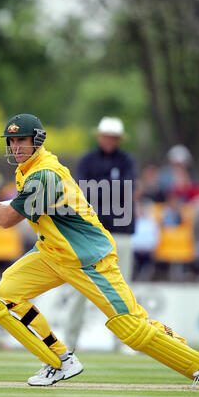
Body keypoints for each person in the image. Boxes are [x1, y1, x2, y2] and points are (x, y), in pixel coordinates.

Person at [0, 113, 199, 389]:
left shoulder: (45, 174)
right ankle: (60, 359)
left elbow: (6, 219)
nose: (16, 147)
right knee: (5, 298)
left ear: (36, 141)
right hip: (53, 254)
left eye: (21, 141)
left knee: (130, 326)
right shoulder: (28, 170)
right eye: (12, 141)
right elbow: (16, 206)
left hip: (89, 259)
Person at [64, 117, 136, 351]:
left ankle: (123, 341)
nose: (109, 140)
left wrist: (99, 189)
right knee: (80, 287)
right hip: (90, 232)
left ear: (118, 139)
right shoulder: (87, 160)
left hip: (120, 231)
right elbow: (82, 190)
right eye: (106, 136)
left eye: (113, 137)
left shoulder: (127, 161)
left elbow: (124, 189)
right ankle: (69, 343)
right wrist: (106, 188)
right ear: (99, 136)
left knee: (121, 288)